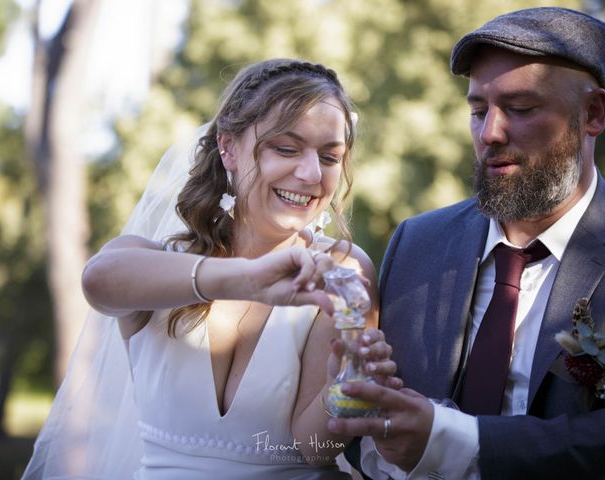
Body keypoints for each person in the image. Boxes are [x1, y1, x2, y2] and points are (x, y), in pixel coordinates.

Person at [23, 58, 398, 479]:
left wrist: (340, 391)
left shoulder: (342, 270)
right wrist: (249, 280)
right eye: (286, 149)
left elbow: (316, 451)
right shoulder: (154, 264)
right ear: (228, 148)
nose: (311, 173)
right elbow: (97, 280)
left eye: (330, 157)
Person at [327, 7, 605, 480]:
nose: (490, 134)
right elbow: (370, 435)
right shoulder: (415, 244)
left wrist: (450, 440)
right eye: (478, 110)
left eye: (521, 109)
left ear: (593, 113)